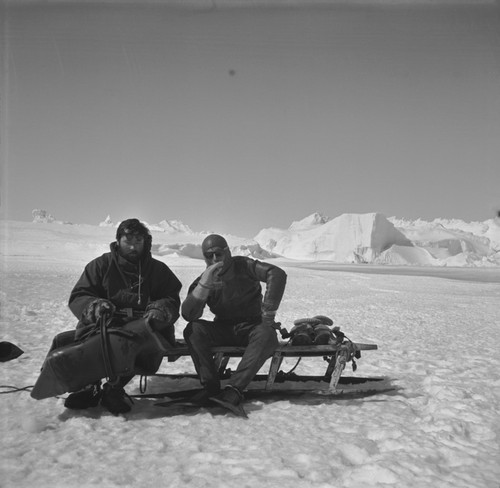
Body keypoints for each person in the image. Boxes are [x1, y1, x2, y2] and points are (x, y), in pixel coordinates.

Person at [64, 218, 182, 415]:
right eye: (128, 241)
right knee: (91, 344)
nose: (133, 247)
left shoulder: (158, 270)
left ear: (146, 242)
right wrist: (95, 306)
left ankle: (114, 389)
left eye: (138, 241)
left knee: (142, 346)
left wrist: (159, 310)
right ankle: (89, 386)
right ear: (118, 241)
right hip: (106, 322)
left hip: (143, 325)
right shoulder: (100, 265)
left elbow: (170, 297)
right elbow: (80, 295)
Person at [182, 234, 287, 414]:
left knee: (267, 335)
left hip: (252, 327)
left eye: (218, 253)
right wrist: (203, 288)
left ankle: (234, 390)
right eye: (209, 256)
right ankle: (210, 388)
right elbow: (188, 315)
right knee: (194, 330)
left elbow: (276, 274)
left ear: (227, 252)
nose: (215, 259)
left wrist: (268, 312)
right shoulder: (205, 279)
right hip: (223, 328)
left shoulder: (244, 266)